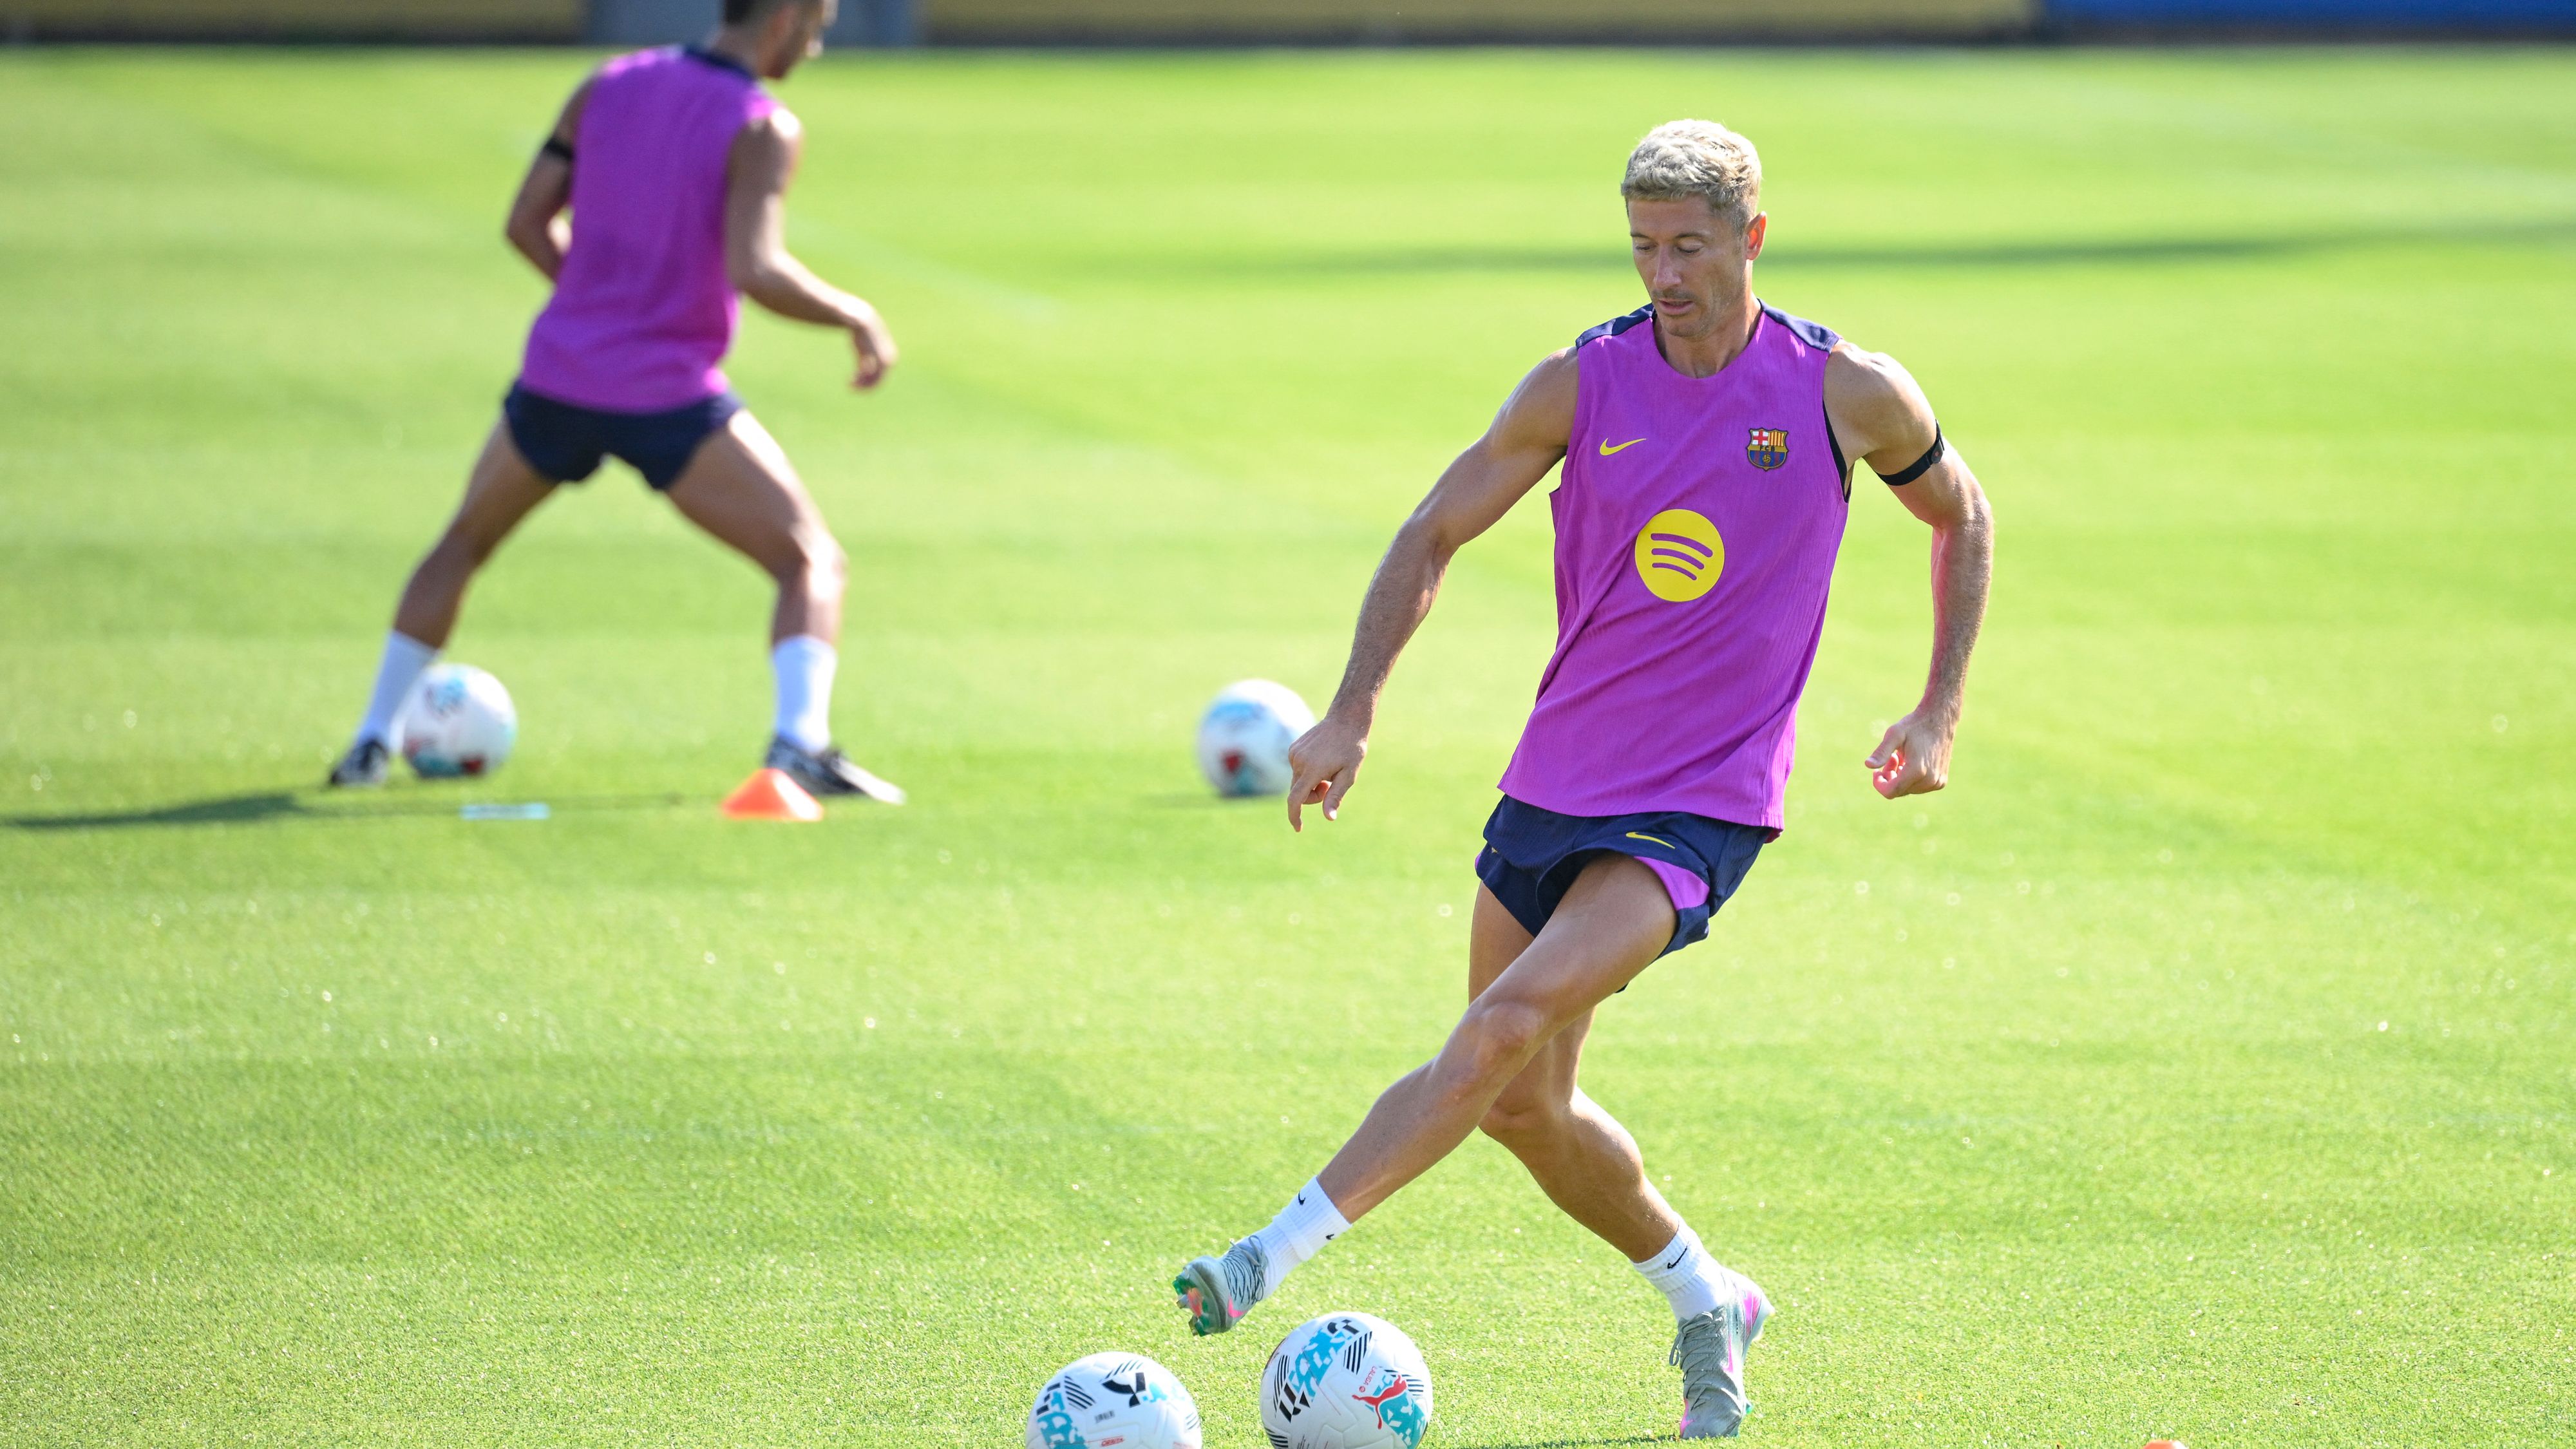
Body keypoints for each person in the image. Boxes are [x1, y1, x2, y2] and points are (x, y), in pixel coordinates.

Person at [1170, 119, 1993, 1438]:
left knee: (1496, 1027)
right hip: (1556, 780)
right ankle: (1705, 1295)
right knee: (1518, 1107)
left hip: (1700, 805)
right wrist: (1349, 708)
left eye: (1686, 248)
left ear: (1750, 240)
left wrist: (1936, 707)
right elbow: (1433, 527)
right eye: (1640, 247)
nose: (1661, 276)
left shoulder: (1845, 392)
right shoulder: (1580, 382)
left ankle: (1263, 1259)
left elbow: (1962, 514)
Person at [326, 0, 904, 803]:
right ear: (783, 16)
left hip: (560, 377)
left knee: (462, 544)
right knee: (809, 559)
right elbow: (756, 267)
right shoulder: (762, 127)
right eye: (818, 24)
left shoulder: (608, 85)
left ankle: (367, 743)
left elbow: (527, 221)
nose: (819, 43)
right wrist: (857, 314)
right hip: (668, 396)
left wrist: (600, 308)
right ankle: (799, 745)